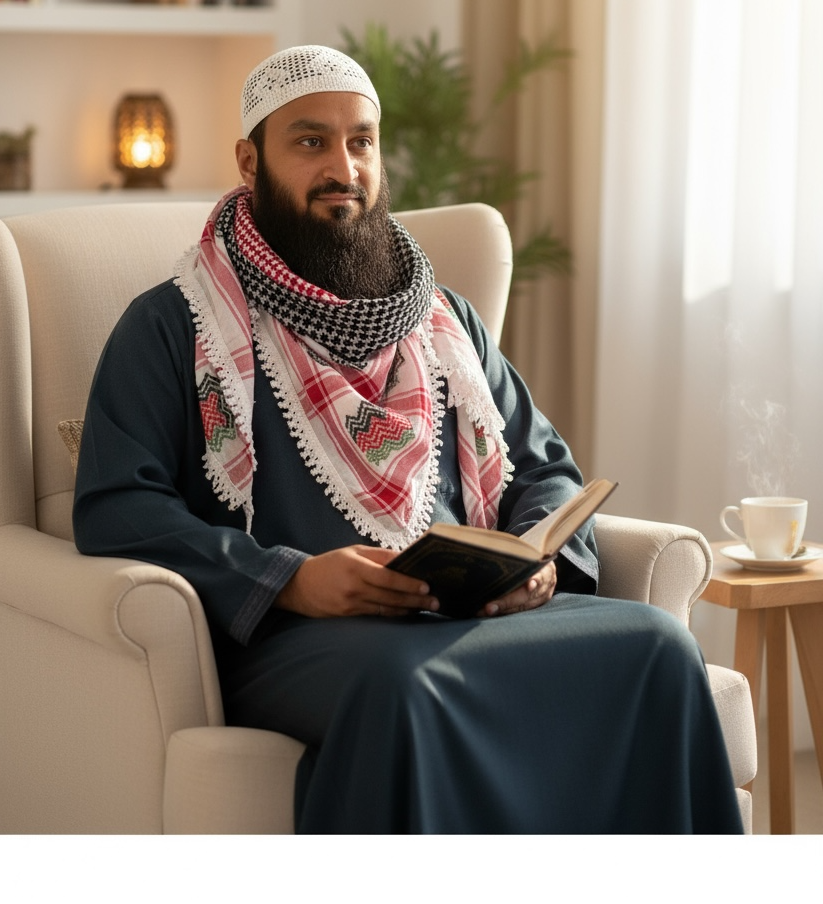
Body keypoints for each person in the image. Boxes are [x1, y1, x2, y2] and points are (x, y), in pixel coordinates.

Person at [73, 44, 743, 834]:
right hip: (299, 634)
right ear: (250, 162)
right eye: (311, 141)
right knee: (407, 686)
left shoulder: (443, 318)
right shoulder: (173, 325)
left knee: (661, 646)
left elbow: (543, 468)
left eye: (361, 141)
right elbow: (119, 506)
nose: (344, 167)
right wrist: (289, 580)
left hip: (473, 615)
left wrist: (536, 559)